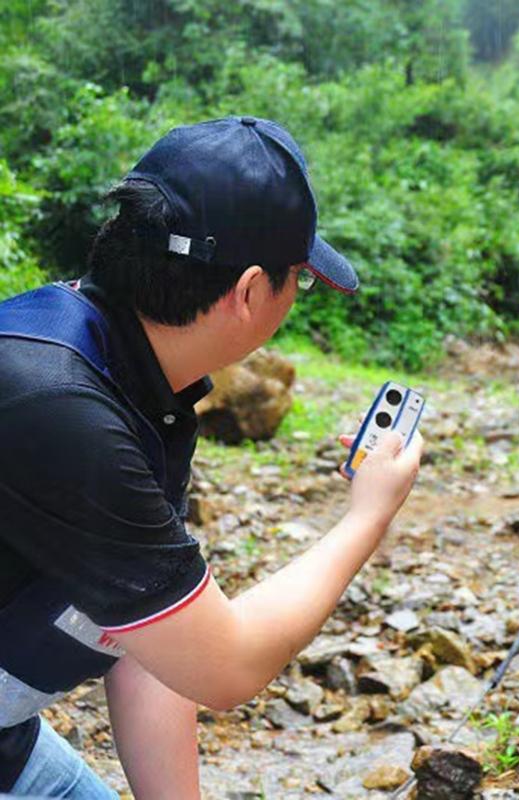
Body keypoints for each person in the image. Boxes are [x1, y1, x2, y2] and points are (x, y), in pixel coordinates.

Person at [0, 116, 423, 798]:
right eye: (300, 280)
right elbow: (226, 666)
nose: (296, 296)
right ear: (251, 292)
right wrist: (366, 517)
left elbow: (154, 635)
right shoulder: (57, 406)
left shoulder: (138, 383)